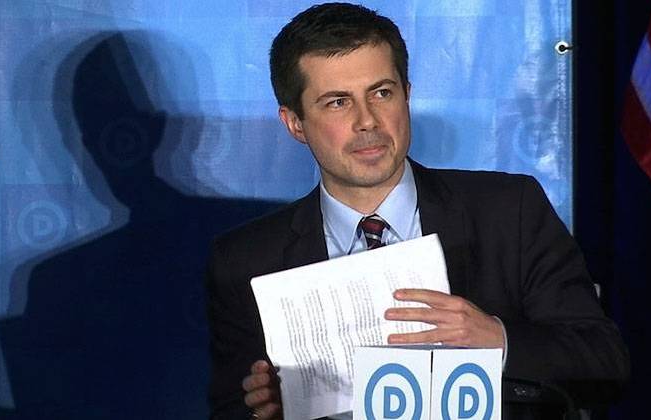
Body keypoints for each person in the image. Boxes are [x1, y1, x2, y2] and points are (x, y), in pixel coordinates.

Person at [205, 3, 629, 419]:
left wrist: (498, 339)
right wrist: (267, 412)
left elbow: (604, 364)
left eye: (381, 93)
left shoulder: (509, 210)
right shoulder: (245, 261)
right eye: (338, 102)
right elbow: (230, 408)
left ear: (406, 95)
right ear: (294, 122)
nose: (367, 120)